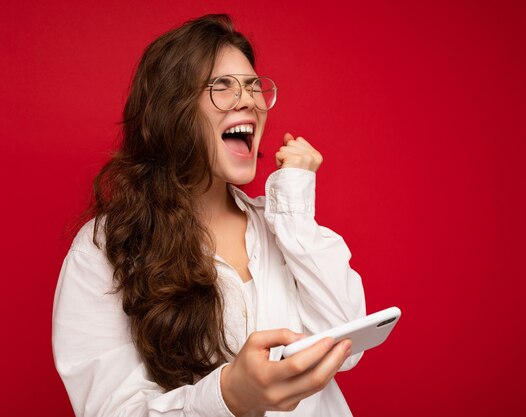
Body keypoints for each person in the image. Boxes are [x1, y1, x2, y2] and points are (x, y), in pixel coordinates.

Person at [52, 13, 366, 417]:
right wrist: (229, 396)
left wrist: (295, 208)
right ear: (172, 109)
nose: (250, 100)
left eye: (254, 87)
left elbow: (347, 346)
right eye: (223, 86)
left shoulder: (283, 225)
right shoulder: (104, 249)